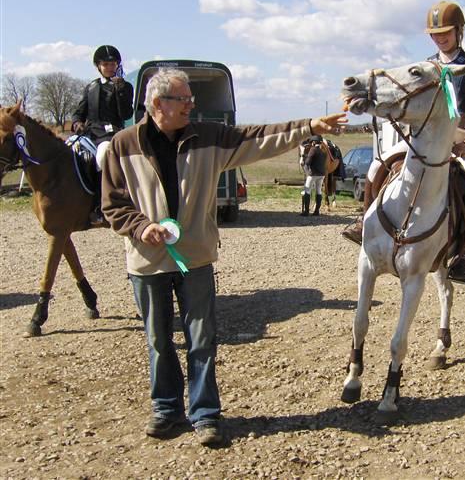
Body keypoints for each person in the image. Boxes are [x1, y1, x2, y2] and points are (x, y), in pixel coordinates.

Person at [101, 68, 347, 446]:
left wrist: (310, 125)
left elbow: (260, 137)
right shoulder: (122, 145)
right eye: (183, 100)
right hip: (147, 262)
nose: (191, 105)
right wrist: (139, 226)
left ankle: (205, 414)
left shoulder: (209, 137)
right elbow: (113, 204)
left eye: (191, 99)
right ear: (156, 104)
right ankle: (166, 409)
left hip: (195, 259)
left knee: (202, 339)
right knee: (158, 339)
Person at [342, 0, 465, 284]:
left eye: (446, 32)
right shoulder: (426, 67)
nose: (440, 37)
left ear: (459, 31)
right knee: (378, 166)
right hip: (422, 138)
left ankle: (461, 253)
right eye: (435, 33)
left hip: (460, 139)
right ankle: (365, 223)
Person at [72, 45, 133, 226]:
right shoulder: (91, 87)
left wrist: (120, 91)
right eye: (105, 64)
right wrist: (77, 123)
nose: (109, 67)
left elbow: (126, 114)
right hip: (89, 133)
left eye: (112, 64)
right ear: (98, 66)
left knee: (102, 155)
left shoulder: (125, 86)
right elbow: (78, 112)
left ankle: (101, 206)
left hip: (110, 134)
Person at [300, 135, 327, 216]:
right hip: (322, 174)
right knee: (318, 191)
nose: (311, 144)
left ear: (314, 142)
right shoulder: (323, 151)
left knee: (307, 190)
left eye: (312, 142)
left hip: (313, 174)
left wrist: (305, 158)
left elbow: (308, 162)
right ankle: (316, 211)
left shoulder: (313, 149)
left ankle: (306, 211)